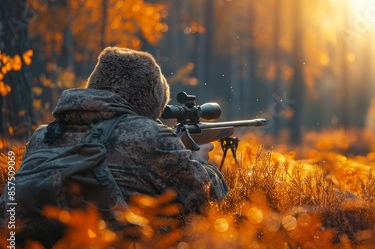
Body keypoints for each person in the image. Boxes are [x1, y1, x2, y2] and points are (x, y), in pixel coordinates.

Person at [24, 46, 228, 216]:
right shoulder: (149, 135)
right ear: (151, 99)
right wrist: (200, 160)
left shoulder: (43, 135)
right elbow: (206, 198)